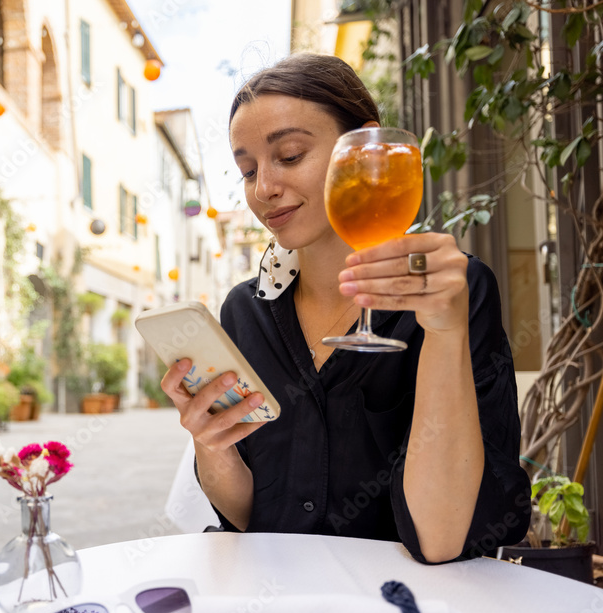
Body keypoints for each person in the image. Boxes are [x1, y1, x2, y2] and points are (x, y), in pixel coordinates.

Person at [161, 53, 531, 564]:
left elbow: (442, 539)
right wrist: (211, 442)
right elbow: (251, 518)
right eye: (247, 170)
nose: (263, 187)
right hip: (273, 608)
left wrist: (444, 335)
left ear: (365, 149)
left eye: (289, 155)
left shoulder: (452, 291)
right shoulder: (245, 311)